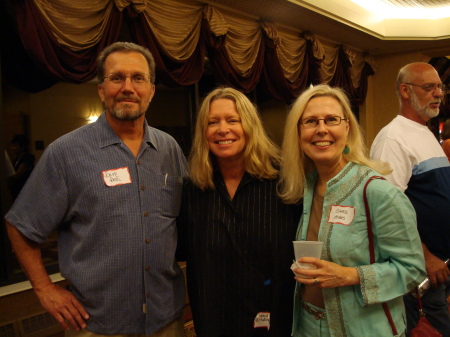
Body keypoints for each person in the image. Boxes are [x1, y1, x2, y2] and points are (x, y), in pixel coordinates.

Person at [5, 42, 188, 337]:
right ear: (101, 90)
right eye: (117, 78)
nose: (128, 87)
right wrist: (44, 288)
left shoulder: (169, 149)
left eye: (138, 78)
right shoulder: (66, 154)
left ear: (151, 91)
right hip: (97, 325)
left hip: (166, 321)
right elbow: (20, 225)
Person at [279, 84, 426, 337]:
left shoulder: (377, 192)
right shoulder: (305, 188)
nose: (321, 129)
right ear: (298, 132)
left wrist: (348, 275)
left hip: (365, 329)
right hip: (306, 325)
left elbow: (413, 270)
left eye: (332, 120)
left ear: (347, 128)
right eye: (310, 121)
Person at [177, 87, 302, 337]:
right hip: (213, 320)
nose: (223, 129)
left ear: (250, 126)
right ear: (204, 132)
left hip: (273, 321)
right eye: (213, 122)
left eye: (233, 120)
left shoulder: (284, 183)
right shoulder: (192, 190)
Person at [370, 62, 450, 337]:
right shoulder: (393, 138)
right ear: (405, 91)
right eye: (429, 87)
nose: (438, 93)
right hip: (419, 274)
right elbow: (385, 211)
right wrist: (425, 255)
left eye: (439, 86)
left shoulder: (426, 132)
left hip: (440, 267)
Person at [7, 134, 35, 200]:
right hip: (17, 191)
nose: (12, 148)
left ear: (22, 147)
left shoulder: (28, 158)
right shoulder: (16, 160)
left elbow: (18, 174)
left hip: (25, 191)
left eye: (15, 146)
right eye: (11, 145)